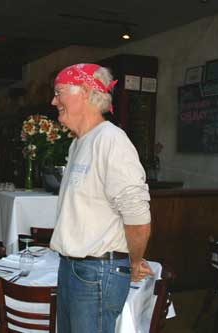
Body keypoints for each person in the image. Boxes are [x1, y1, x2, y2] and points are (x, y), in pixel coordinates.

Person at [49, 64, 152, 332]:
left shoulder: (111, 140)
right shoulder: (78, 143)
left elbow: (138, 218)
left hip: (97, 272)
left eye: (59, 92)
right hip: (73, 268)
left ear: (84, 91)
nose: (53, 100)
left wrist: (134, 261)